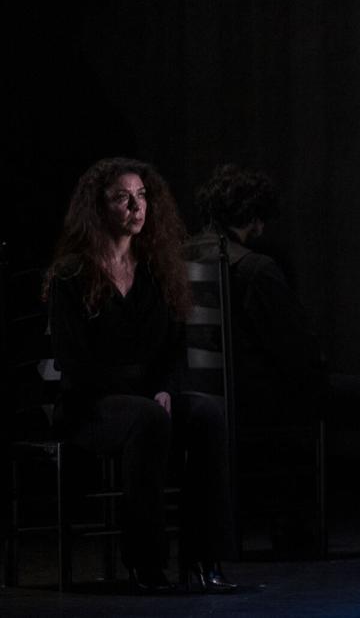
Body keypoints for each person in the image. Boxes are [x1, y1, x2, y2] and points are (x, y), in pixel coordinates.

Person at [184, 164, 360, 554]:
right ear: (256, 218)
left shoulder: (183, 258)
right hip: (264, 399)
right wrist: (316, 366)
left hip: (208, 398)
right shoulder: (256, 268)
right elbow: (296, 351)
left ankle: (294, 519)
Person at [43, 157, 237, 593]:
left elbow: (171, 348)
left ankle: (207, 559)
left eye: (142, 196)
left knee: (205, 414)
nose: (136, 206)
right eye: (122, 197)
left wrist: (165, 389)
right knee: (146, 419)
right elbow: (74, 360)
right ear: (99, 207)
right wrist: (145, 396)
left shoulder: (155, 271)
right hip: (90, 404)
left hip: (148, 397)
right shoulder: (72, 275)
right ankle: (146, 561)